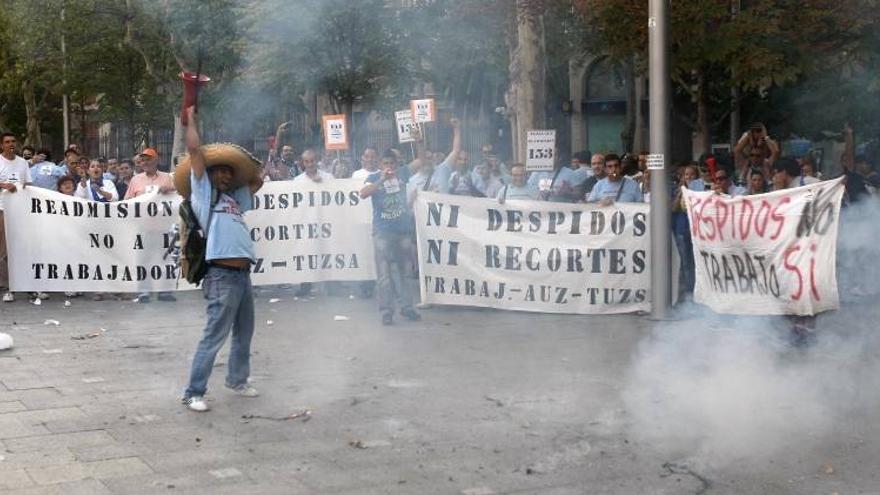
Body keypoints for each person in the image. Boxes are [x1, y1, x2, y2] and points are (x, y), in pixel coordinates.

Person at [178, 106, 264, 413]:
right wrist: (192, 120)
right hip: (221, 276)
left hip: (243, 275)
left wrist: (258, 160)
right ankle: (193, 392)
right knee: (214, 335)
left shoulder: (234, 200)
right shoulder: (203, 196)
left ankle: (237, 380)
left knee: (244, 333)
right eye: (220, 171)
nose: (225, 175)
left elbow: (256, 181)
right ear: (209, 176)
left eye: (229, 171)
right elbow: (193, 150)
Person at [360, 149, 421, 325]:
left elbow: (421, 160)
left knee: (404, 272)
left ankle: (407, 307)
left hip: (402, 230)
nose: (389, 166)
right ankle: (387, 311)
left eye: (392, 163)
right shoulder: (373, 178)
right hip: (382, 232)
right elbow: (363, 193)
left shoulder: (402, 173)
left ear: (396, 164)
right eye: (385, 163)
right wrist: (382, 179)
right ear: (380, 165)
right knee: (384, 275)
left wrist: (419, 142)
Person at [125, 148, 176, 303]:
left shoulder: (168, 178)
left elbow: (180, 194)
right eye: (143, 160)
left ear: (156, 160)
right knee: (143, 261)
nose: (145, 162)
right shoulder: (136, 180)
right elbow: (127, 200)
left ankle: (165, 291)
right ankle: (144, 292)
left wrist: (171, 189)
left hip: (165, 228)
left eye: (149, 159)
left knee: (166, 261)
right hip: (143, 228)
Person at [0, 132, 34, 303]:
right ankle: (7, 287)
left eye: (13, 141)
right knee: (5, 250)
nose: (11, 144)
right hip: (2, 210)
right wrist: (3, 184)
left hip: (21, 211)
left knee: (23, 248)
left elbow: (29, 184)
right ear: (1, 145)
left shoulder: (23, 163)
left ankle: (26, 284)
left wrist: (22, 188)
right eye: (7, 142)